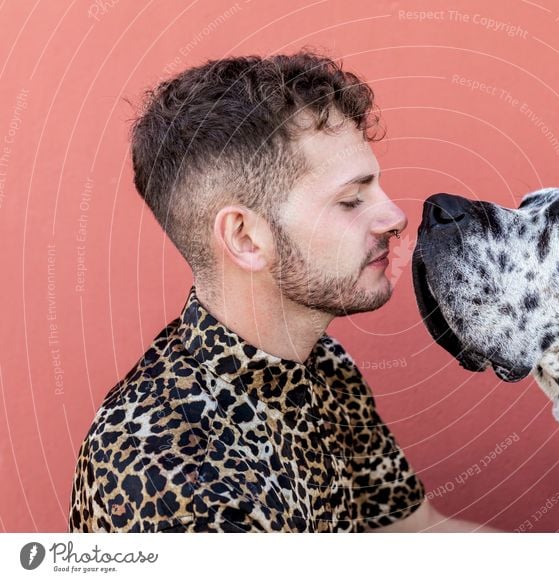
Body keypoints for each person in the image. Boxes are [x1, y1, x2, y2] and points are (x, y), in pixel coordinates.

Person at [69, 51, 492, 532]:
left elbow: (415, 536)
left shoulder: (323, 365)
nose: (395, 218)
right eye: (351, 200)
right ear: (246, 239)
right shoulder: (170, 477)